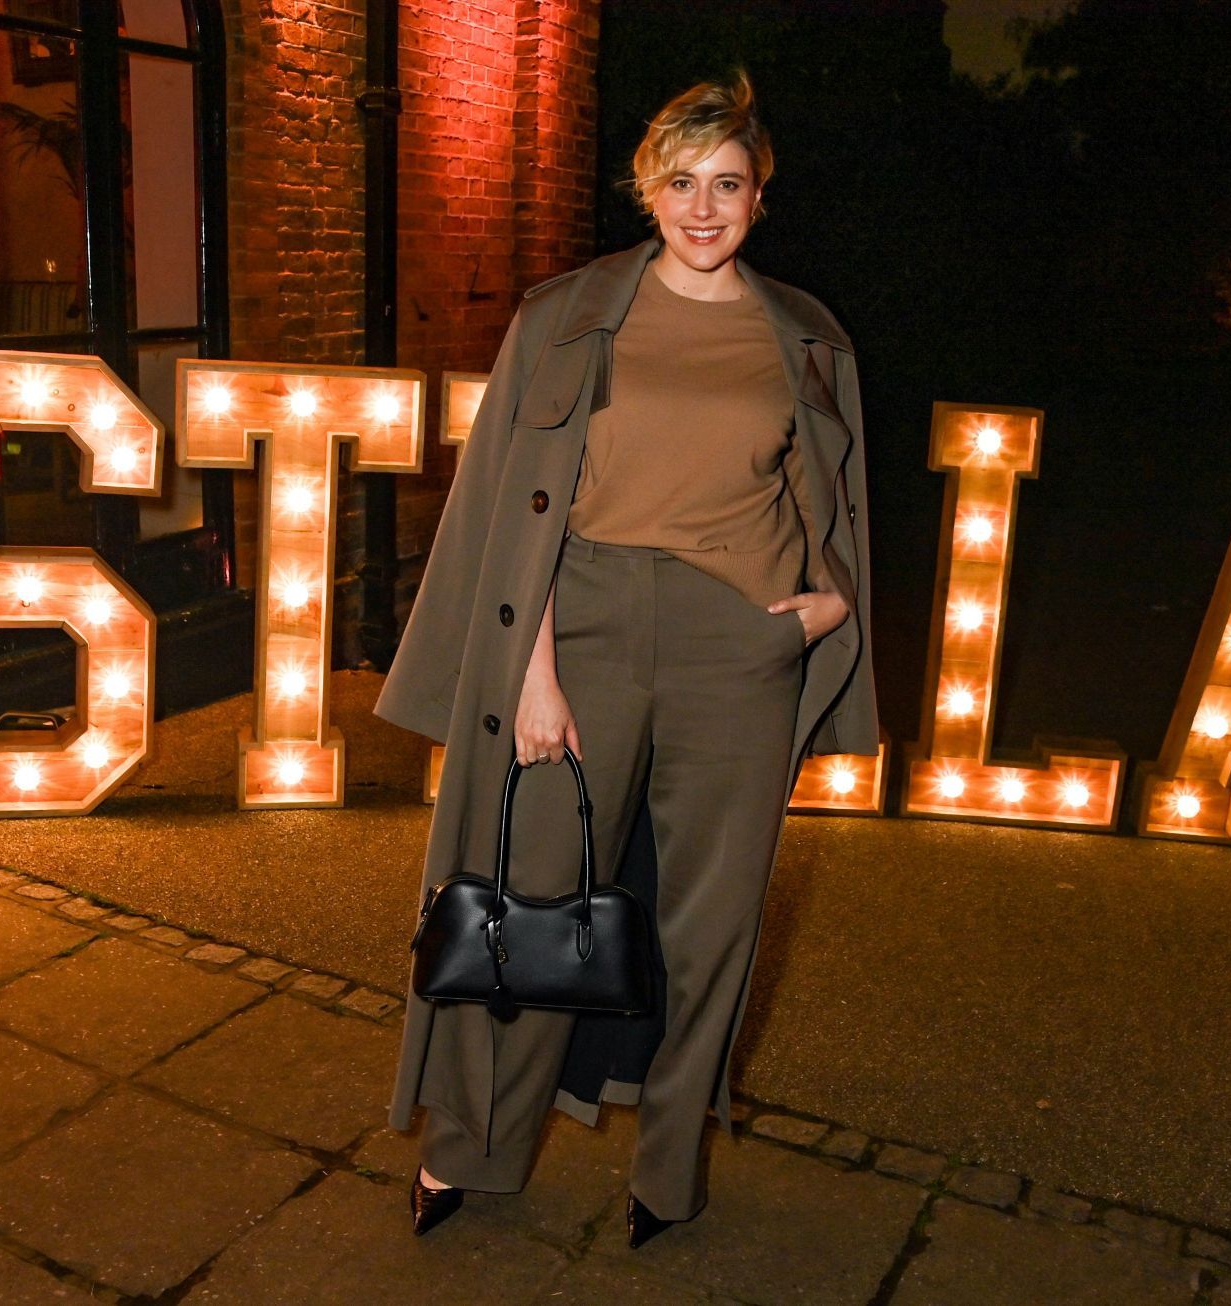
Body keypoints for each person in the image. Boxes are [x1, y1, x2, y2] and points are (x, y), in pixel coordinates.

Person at [373, 67, 878, 1246]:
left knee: (713, 923)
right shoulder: (569, 311)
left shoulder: (803, 335)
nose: (705, 207)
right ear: (647, 188)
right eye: (682, 181)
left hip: (736, 642)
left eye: (730, 184)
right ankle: (473, 1148)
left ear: (761, 198)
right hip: (582, 621)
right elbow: (510, 502)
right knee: (527, 897)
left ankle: (667, 1170)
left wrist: (813, 616)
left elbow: (836, 501)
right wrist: (531, 670)